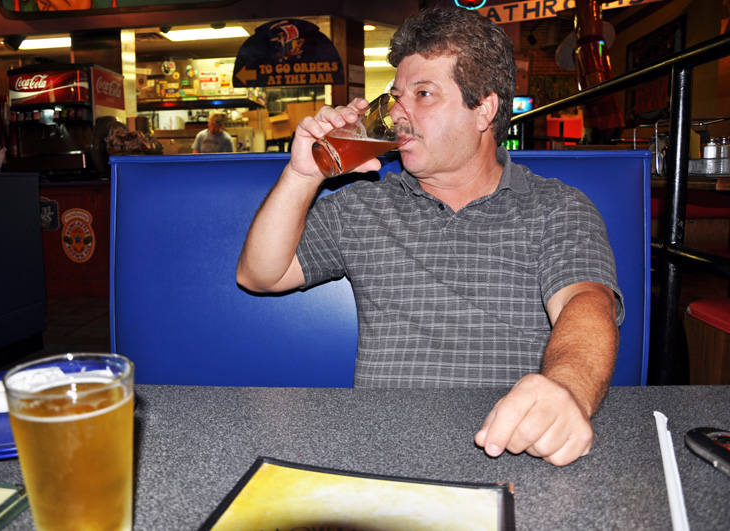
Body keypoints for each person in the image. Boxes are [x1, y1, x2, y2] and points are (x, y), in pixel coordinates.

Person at [237, 5, 622, 467]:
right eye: (397, 96)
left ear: (484, 109)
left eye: (423, 94)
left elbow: (587, 305)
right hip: (382, 456)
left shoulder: (555, 207)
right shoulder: (364, 204)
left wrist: (566, 394)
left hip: (510, 448)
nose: (398, 114)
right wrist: (303, 174)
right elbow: (259, 275)